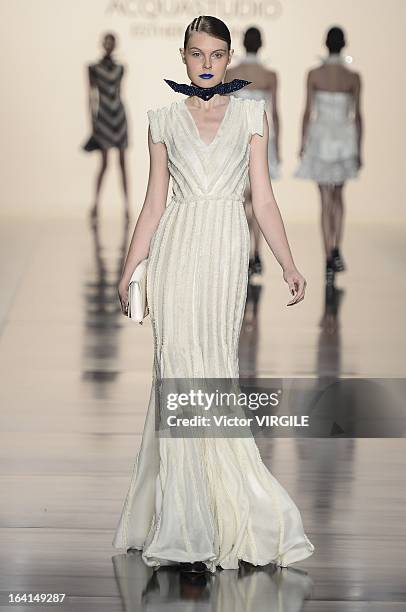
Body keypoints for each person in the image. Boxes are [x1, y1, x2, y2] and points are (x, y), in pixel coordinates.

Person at [113, 15, 314, 574]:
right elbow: (154, 203)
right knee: (176, 370)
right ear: (182, 56)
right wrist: (130, 268)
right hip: (178, 253)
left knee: (214, 370)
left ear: (228, 59)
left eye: (216, 54)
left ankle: (221, 510)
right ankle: (183, 521)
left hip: (226, 254)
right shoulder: (161, 120)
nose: (206, 63)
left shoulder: (252, 112)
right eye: (197, 53)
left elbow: (264, 200)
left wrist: (288, 265)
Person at [295, 26, 363, 286]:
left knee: (324, 200)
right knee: (339, 197)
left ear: (326, 44)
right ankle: (335, 247)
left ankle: (327, 256)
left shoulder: (314, 74)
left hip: (321, 140)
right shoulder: (352, 77)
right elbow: (357, 116)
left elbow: (307, 111)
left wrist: (303, 143)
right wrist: (359, 148)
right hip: (345, 140)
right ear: (344, 44)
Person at [225, 26, 280, 277]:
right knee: (259, 198)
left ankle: (244, 253)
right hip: (260, 139)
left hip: (234, 142)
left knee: (241, 200)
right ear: (262, 44)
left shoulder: (232, 73)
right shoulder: (269, 75)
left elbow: (223, 112)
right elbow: (275, 113)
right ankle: (256, 253)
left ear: (243, 44)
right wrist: (276, 146)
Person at [82, 32, 130, 222]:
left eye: (112, 42)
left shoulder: (121, 68)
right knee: (104, 164)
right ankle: (95, 205)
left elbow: (119, 93)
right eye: (106, 42)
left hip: (118, 116)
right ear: (102, 44)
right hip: (103, 117)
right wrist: (92, 122)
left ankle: (127, 207)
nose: (109, 45)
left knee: (122, 163)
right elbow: (91, 96)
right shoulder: (93, 68)